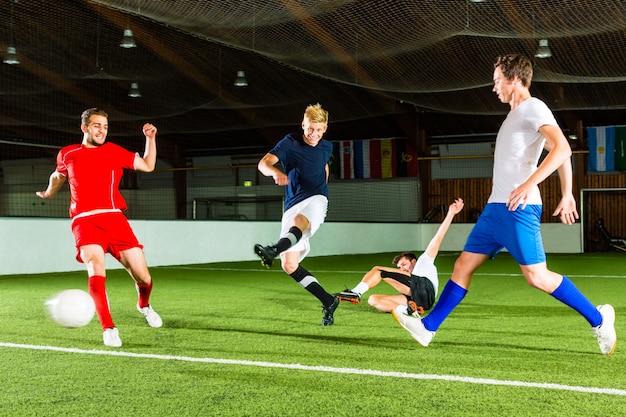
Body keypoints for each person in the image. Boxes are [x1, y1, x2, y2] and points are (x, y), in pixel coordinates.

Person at [393, 54, 617, 355]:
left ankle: (600, 319)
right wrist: (566, 193)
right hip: (494, 210)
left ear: (514, 79)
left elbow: (563, 147)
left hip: (518, 211)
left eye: (497, 80)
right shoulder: (515, 115)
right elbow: (561, 152)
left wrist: (536, 184)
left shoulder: (533, 107)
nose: (493, 86)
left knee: (537, 276)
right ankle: (428, 328)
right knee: (463, 265)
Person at [36, 108, 163, 347]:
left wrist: (150, 138)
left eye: (105, 126)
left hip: (115, 220)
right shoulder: (68, 153)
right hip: (84, 220)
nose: (101, 130)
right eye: (96, 125)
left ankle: (144, 305)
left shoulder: (114, 151)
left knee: (144, 278)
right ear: (84, 127)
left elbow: (148, 165)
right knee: (95, 266)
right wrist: (49, 193)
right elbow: (58, 176)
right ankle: (109, 328)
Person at [253, 103, 339, 326]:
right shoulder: (290, 142)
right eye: (311, 128)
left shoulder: (327, 146)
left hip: (317, 199)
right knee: (289, 265)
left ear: (325, 129)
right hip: (293, 203)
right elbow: (264, 163)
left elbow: (324, 168)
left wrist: (322, 191)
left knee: (300, 222)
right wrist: (275, 172)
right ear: (303, 125)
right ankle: (328, 301)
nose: (314, 134)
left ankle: (273, 249)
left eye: (319, 130)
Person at [335, 198, 464, 317]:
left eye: (403, 264)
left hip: (424, 288)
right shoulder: (409, 285)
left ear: (414, 261)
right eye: (399, 267)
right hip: (422, 302)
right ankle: (408, 310)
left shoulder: (424, 261)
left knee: (378, 270)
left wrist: (451, 214)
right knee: (373, 299)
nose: (401, 269)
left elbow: (438, 237)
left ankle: (355, 292)